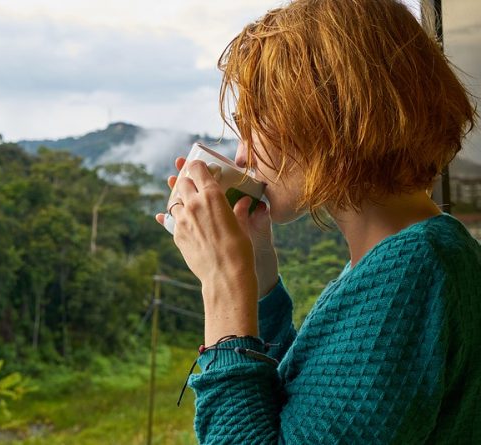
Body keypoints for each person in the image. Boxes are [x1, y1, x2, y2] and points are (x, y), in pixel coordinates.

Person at [154, 0, 480, 443]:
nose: (243, 156)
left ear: (325, 115)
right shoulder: (405, 256)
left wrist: (223, 289)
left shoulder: (415, 269)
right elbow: (309, 409)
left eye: (254, 126)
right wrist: (258, 278)